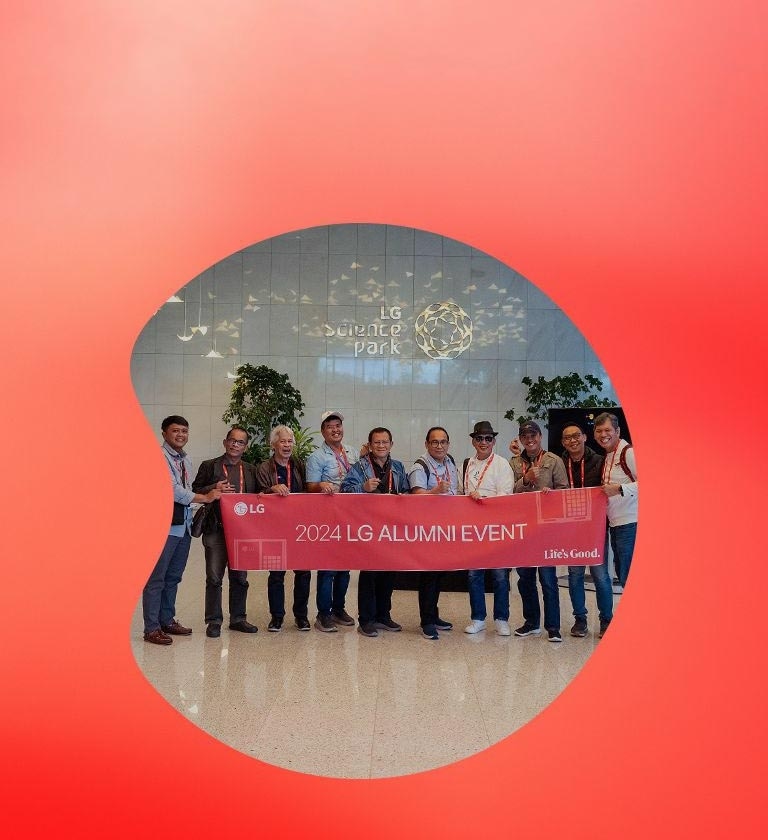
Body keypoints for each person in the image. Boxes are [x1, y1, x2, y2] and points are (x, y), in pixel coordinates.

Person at [143, 416, 221, 646]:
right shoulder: (158, 457)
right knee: (157, 579)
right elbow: (173, 490)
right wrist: (205, 497)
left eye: (184, 431)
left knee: (174, 577)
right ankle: (151, 628)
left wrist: (207, 492)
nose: (180, 435)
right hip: (164, 527)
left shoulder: (184, 460)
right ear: (164, 433)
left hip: (183, 526)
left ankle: (166, 619)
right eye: (175, 430)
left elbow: (187, 488)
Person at [340, 427, 409, 637]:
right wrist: (363, 487)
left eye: (385, 442)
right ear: (370, 445)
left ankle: (383, 616)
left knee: (389, 572)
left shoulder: (397, 466)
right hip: (368, 528)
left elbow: (406, 492)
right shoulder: (360, 467)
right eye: (377, 442)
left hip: (391, 528)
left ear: (391, 444)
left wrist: (403, 497)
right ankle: (367, 619)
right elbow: (344, 491)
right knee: (369, 573)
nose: (381, 446)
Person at [192, 425, 260, 639]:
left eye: (240, 442)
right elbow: (194, 489)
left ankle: (238, 618)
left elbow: (258, 496)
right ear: (225, 442)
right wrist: (213, 488)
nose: (235, 444)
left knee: (240, 577)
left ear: (245, 447)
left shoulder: (250, 470)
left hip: (242, 531)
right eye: (232, 440)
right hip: (215, 528)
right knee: (214, 577)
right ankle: (214, 621)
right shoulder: (209, 465)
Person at [510, 420, 569, 642]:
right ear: (521, 438)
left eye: (533, 435)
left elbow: (564, 491)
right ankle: (531, 622)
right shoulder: (515, 462)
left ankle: (553, 627)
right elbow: (510, 493)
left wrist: (551, 494)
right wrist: (526, 480)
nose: (530, 439)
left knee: (548, 579)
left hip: (546, 530)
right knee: (524, 579)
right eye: (525, 436)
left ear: (540, 436)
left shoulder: (554, 460)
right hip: (522, 529)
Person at [254, 425, 312, 632]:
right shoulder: (263, 467)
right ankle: (276, 617)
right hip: (275, 529)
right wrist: (271, 489)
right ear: (273, 444)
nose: (287, 445)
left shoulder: (300, 465)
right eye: (283, 441)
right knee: (277, 574)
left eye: (290, 442)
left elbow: (308, 490)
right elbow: (257, 493)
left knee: (303, 573)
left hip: (300, 528)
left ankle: (301, 616)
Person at [559, 423, 614, 638]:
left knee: (600, 575)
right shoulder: (559, 463)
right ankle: (580, 620)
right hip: (571, 529)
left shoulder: (600, 461)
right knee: (575, 575)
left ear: (584, 437)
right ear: (563, 442)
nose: (572, 440)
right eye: (567, 438)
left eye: (576, 436)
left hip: (595, 528)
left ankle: (606, 620)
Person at [305, 411, 357, 632]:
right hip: (327, 519)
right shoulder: (316, 456)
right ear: (323, 431)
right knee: (327, 568)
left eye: (338, 425)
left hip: (351, 517)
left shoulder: (353, 452)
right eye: (330, 426)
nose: (335, 430)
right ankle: (323, 614)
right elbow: (310, 487)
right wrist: (321, 486)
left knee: (345, 567)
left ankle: (339, 609)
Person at [462, 420, 515, 636]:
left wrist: (482, 499)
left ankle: (501, 618)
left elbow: (506, 495)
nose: (483, 442)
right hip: (474, 529)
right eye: (479, 438)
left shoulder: (502, 464)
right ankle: (478, 618)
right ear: (473, 441)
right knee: (474, 575)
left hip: (497, 528)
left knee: (500, 576)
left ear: (494, 441)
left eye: (488, 438)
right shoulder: (467, 464)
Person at [408, 426, 459, 640]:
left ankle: (434, 615)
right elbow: (416, 497)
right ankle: (426, 621)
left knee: (439, 575)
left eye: (443, 442)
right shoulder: (419, 467)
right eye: (435, 442)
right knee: (429, 576)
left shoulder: (451, 462)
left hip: (446, 529)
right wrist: (434, 492)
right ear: (427, 444)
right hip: (427, 531)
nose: (439, 446)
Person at [594, 412, 637, 602]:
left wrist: (619, 488)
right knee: (623, 574)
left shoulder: (628, 452)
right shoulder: (609, 454)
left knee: (629, 577)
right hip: (616, 524)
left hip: (631, 523)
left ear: (617, 431)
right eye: (599, 431)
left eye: (608, 430)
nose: (603, 434)